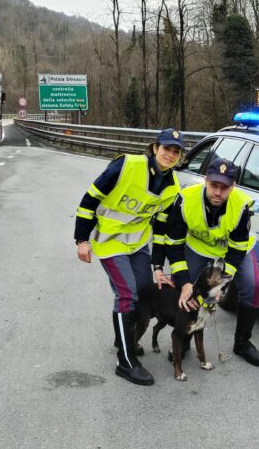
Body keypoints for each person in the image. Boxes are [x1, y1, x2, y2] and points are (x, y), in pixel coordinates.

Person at [74, 128, 185, 386]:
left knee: (145, 290)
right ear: (155, 147)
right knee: (127, 294)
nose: (170, 154)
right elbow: (90, 199)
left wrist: (158, 266)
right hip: (110, 241)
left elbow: (160, 227)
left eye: (176, 151)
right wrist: (81, 240)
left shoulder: (172, 186)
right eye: (167, 148)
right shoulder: (126, 165)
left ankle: (122, 336)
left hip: (136, 244)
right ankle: (125, 361)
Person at [165, 157, 259, 367]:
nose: (218, 192)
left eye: (224, 187)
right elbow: (174, 244)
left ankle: (243, 343)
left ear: (233, 186)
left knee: (253, 286)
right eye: (213, 185)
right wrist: (184, 282)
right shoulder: (185, 199)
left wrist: (224, 283)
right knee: (183, 286)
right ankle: (184, 338)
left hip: (234, 249)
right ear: (205, 180)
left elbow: (237, 250)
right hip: (198, 247)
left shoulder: (241, 205)